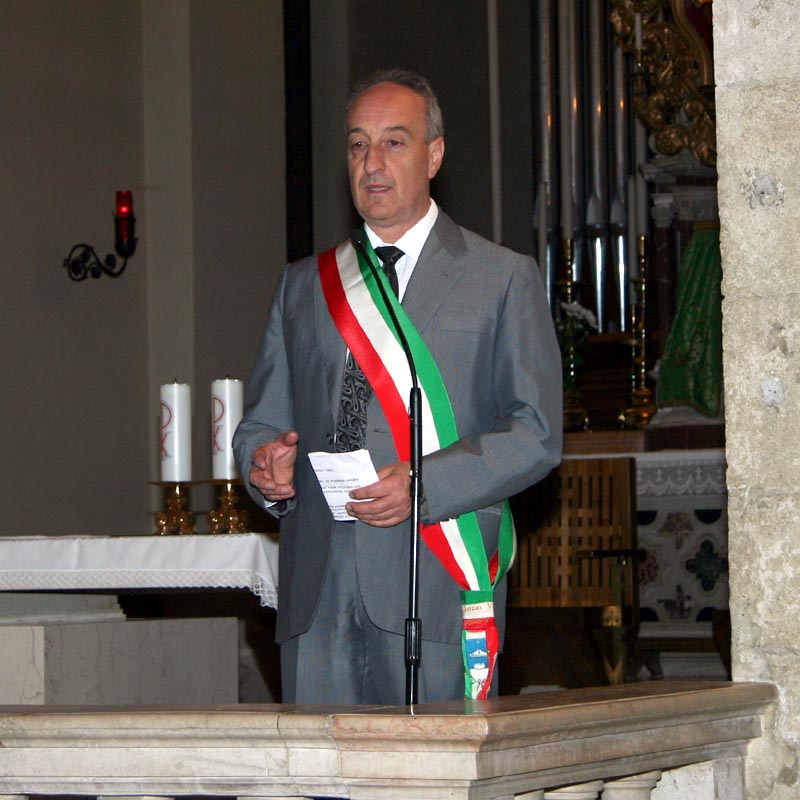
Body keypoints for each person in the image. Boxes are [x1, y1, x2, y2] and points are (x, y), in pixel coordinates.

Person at [233, 69, 562, 706]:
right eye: (358, 144)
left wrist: (424, 483)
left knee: (430, 763)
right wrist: (263, 464)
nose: (372, 162)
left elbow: (536, 434)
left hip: (433, 578)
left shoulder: (500, 278)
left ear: (434, 155)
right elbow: (262, 423)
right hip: (317, 589)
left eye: (393, 142)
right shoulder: (304, 285)